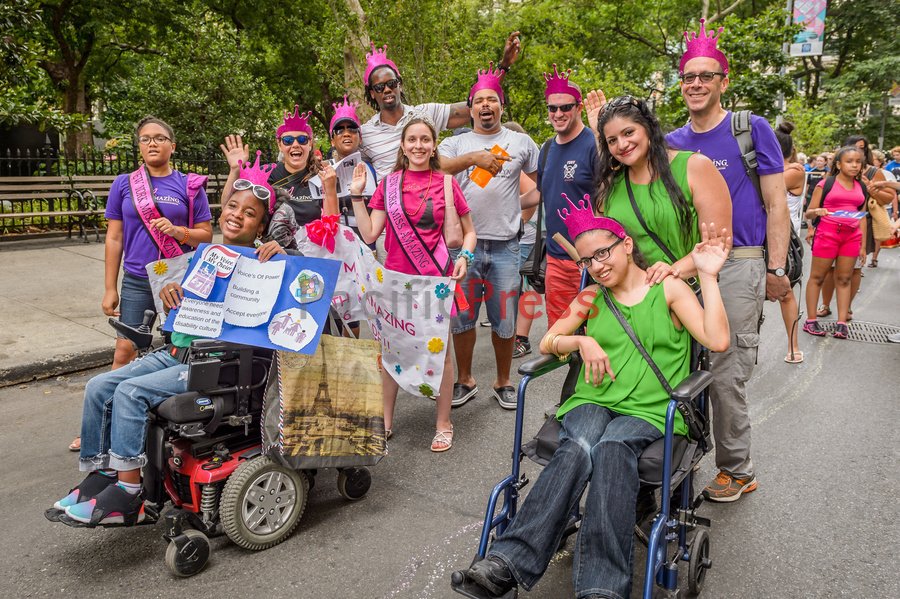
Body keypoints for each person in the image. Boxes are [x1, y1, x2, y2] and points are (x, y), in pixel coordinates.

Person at [455, 209, 731, 599]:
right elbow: (551, 339)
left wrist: (707, 274)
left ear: (627, 245)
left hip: (650, 409)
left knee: (612, 447)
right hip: (591, 400)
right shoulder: (590, 297)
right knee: (581, 443)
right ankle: (507, 563)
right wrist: (581, 341)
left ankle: (602, 586)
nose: (597, 267)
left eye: (604, 254)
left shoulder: (667, 288)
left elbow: (717, 340)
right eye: (588, 260)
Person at [52, 157, 286, 525]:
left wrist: (283, 258)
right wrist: (173, 292)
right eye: (232, 206)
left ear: (262, 225)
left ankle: (130, 494)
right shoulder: (206, 257)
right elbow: (184, 307)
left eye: (250, 213)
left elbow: (296, 303)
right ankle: (105, 473)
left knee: (130, 394)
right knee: (99, 387)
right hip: (176, 350)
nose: (237, 215)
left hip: (214, 365)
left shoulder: (268, 263)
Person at [666, 18, 791, 502]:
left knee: (725, 368)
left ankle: (736, 469)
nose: (695, 84)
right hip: (686, 263)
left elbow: (777, 203)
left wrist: (775, 269)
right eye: (688, 77)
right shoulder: (672, 142)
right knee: (680, 365)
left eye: (705, 76)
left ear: (723, 80)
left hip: (740, 260)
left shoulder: (750, 128)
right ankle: (680, 458)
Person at [71, 117, 214, 454]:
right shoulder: (124, 184)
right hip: (137, 279)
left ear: (172, 146)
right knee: (124, 350)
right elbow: (114, 237)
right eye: (146, 139)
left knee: (179, 349)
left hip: (176, 279)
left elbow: (206, 235)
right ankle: (100, 426)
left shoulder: (189, 186)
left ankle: (166, 422)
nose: (153, 144)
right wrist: (110, 287)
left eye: (160, 138)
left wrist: (179, 232)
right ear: (138, 145)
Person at [348, 116, 477, 452]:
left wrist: (465, 257)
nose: (418, 145)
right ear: (403, 146)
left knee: (441, 352)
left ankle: (443, 423)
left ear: (434, 145)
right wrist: (356, 197)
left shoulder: (447, 183)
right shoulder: (389, 184)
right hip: (395, 280)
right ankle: (386, 422)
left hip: (435, 280)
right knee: (391, 351)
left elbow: (470, 232)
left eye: (425, 139)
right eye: (412, 140)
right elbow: (370, 234)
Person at [438, 64, 539, 410]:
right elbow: (438, 170)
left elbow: (540, 185)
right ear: (470, 108)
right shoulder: (456, 143)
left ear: (501, 106)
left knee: (505, 319)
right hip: (463, 247)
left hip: (507, 247)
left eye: (492, 100)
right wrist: (476, 158)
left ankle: (503, 381)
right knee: (462, 317)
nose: (485, 105)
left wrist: (519, 210)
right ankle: (464, 379)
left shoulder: (521, 142)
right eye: (479, 100)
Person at [593, 95, 731, 285]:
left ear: (648, 128)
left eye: (628, 132)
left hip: (688, 297)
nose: (622, 145)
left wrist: (674, 270)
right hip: (633, 301)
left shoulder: (694, 167)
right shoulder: (610, 186)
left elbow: (718, 244)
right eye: (612, 140)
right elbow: (601, 244)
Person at [359, 34, 521, 179]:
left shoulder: (423, 114)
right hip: (389, 207)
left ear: (399, 85)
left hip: (427, 205)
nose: (387, 89)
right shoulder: (365, 133)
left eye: (392, 83)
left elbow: (477, 105)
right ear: (372, 93)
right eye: (380, 87)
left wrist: (504, 66)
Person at [519, 65, 600, 327]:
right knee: (561, 335)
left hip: (592, 258)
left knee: (599, 331)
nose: (558, 113)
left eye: (565, 107)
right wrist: (506, 205)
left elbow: (609, 195)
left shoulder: (594, 144)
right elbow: (542, 191)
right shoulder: (547, 149)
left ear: (578, 108)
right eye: (552, 108)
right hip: (556, 259)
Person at [220, 106, 339, 248]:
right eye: (288, 140)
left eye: (302, 139)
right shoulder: (266, 174)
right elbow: (229, 207)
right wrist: (234, 170)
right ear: (279, 145)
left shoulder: (322, 176)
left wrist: (330, 189)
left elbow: (332, 228)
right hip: (269, 253)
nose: (295, 145)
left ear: (310, 143)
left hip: (311, 253)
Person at [816, 135, 894, 312]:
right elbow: (823, 195)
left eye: (861, 147)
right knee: (830, 269)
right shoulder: (835, 171)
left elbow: (888, 197)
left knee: (856, 269)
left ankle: (847, 308)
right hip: (833, 225)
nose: (857, 150)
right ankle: (826, 305)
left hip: (860, 223)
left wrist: (871, 190)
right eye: (852, 146)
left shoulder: (873, 172)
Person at [802, 146, 868, 339]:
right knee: (818, 277)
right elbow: (808, 212)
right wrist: (817, 212)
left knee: (845, 278)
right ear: (838, 164)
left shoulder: (862, 186)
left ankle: (841, 323)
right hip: (828, 234)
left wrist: (863, 245)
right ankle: (811, 321)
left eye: (858, 161)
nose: (855, 165)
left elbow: (861, 216)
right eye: (849, 161)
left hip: (851, 236)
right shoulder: (826, 184)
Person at [327, 96, 378, 245]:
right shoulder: (323, 172)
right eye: (339, 130)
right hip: (336, 250)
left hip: (369, 251)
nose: (346, 133)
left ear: (360, 138)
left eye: (352, 129)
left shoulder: (373, 170)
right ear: (332, 140)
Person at [773, 121, 805, 363]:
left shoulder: (794, 170)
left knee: (786, 293)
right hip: (758, 235)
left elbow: (768, 187)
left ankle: (793, 347)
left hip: (784, 238)